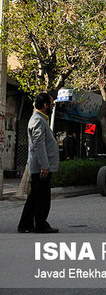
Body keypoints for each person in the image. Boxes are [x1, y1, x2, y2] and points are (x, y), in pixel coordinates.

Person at [17, 93, 59, 233]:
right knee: (41, 197)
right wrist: (45, 166)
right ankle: (40, 224)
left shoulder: (41, 119)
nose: (53, 106)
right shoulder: (38, 120)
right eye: (51, 103)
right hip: (41, 167)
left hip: (40, 166)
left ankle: (26, 224)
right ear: (45, 105)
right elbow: (38, 145)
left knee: (35, 196)